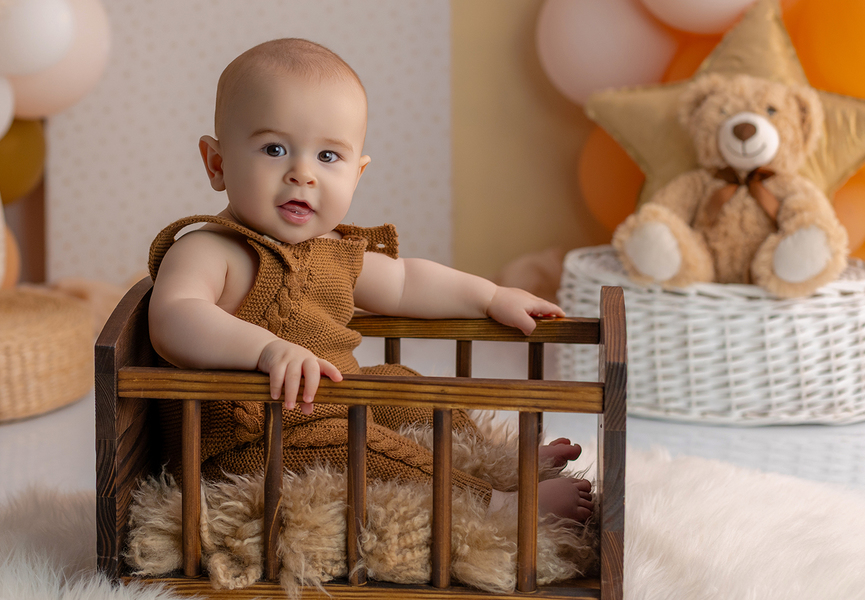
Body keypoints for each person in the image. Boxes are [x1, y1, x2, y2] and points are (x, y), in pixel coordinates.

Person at [147, 38, 593, 522]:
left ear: (357, 175)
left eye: (328, 157)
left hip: (333, 404)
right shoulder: (210, 249)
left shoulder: (334, 251)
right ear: (217, 163)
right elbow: (175, 315)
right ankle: (495, 505)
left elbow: (405, 282)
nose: (303, 174)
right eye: (274, 149)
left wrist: (490, 296)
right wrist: (265, 349)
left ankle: (497, 462)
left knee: (400, 385)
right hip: (252, 441)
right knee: (362, 446)